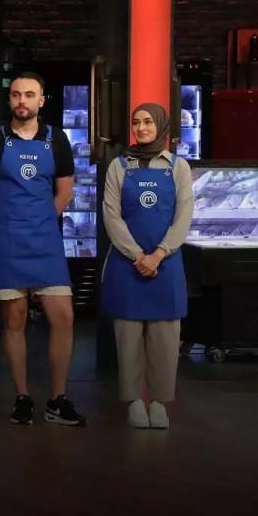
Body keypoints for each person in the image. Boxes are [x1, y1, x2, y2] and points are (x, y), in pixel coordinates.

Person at [0, 71, 86, 426]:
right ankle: (22, 397)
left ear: (41, 101)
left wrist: (41, 223)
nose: (22, 100)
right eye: (16, 94)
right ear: (10, 100)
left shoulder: (57, 139)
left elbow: (65, 192)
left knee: (63, 318)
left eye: (29, 94)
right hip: (6, 244)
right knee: (14, 320)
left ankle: (58, 399)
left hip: (45, 242)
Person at [102, 103, 192, 429]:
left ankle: (159, 403)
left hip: (166, 265)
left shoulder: (178, 167)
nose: (141, 128)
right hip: (126, 265)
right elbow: (111, 215)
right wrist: (138, 255)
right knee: (128, 341)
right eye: (136, 122)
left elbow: (184, 216)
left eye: (148, 122)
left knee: (165, 339)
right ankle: (135, 402)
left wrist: (159, 254)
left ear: (161, 126)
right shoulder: (118, 167)